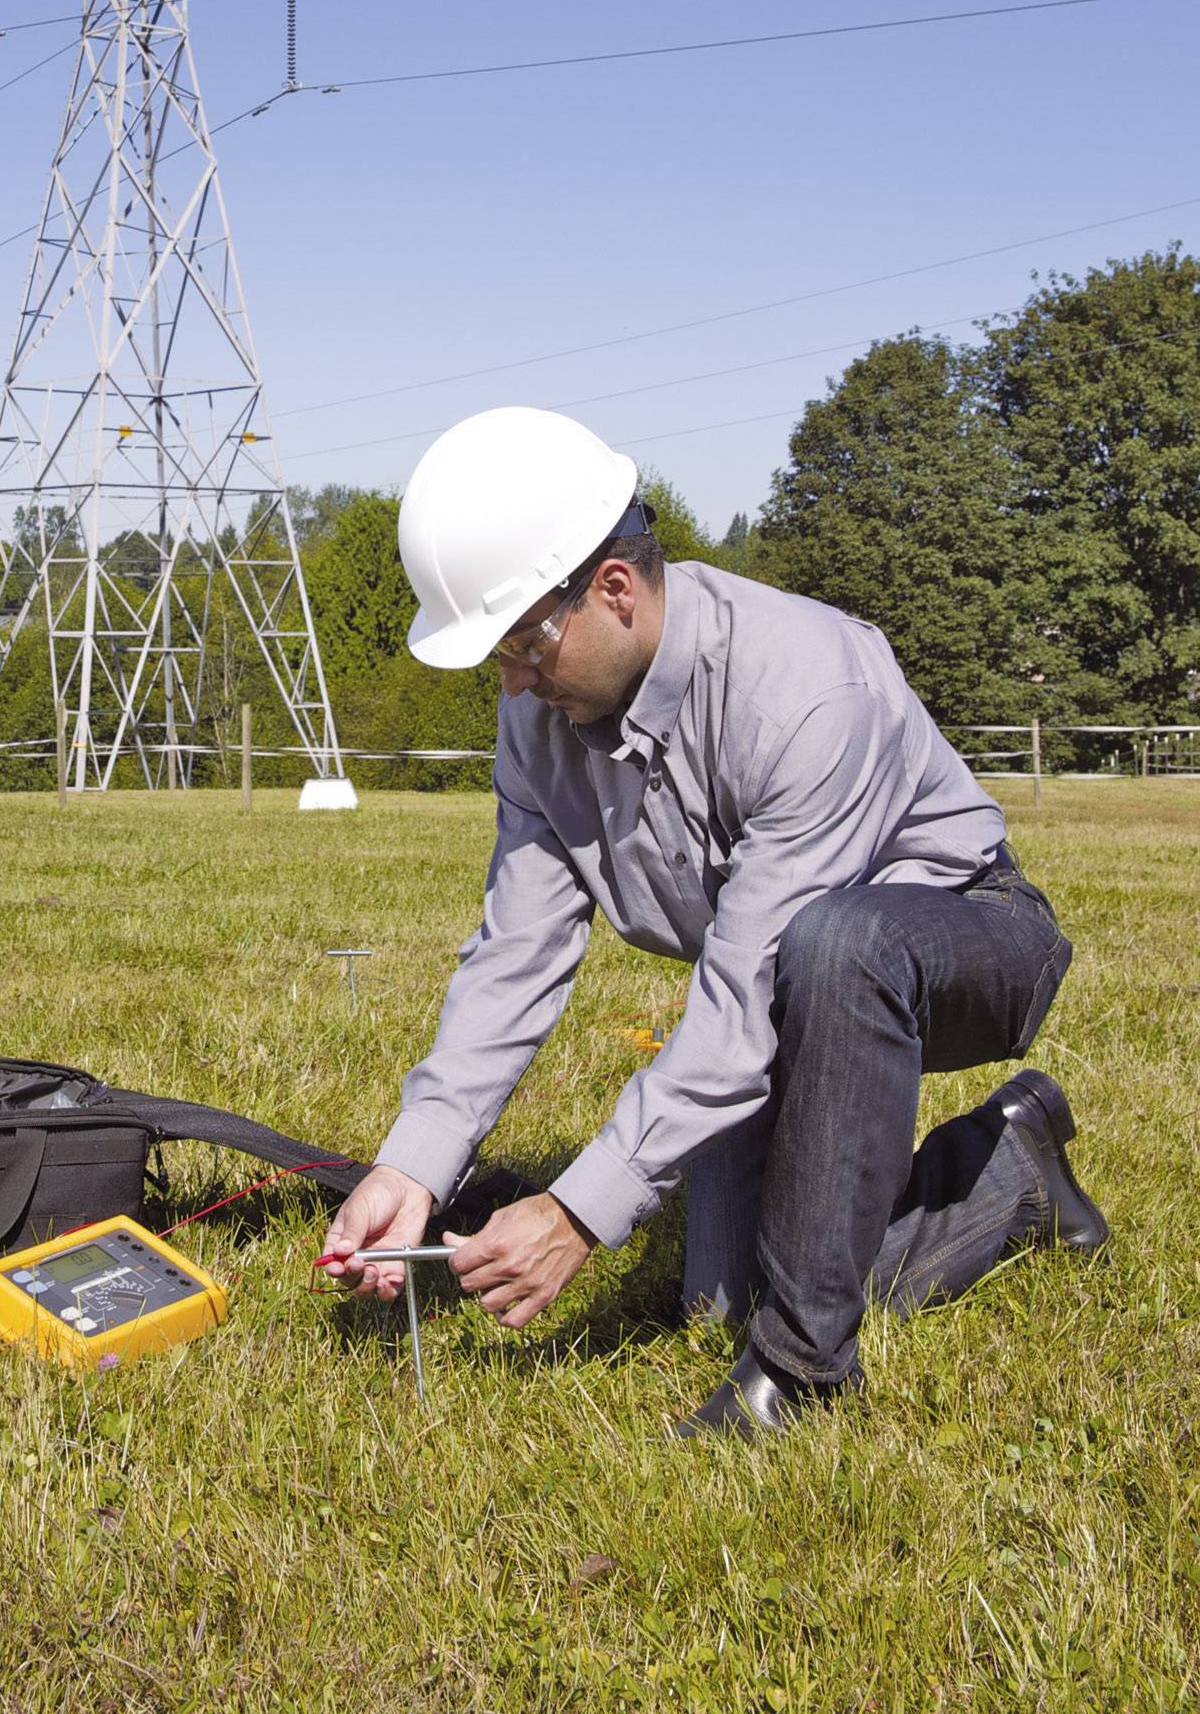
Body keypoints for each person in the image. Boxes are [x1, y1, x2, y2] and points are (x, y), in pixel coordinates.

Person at [319, 407, 1108, 1437]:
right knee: (717, 1299)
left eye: (520, 641)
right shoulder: (537, 721)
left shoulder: (807, 686)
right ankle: (1010, 1174)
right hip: (788, 986)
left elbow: (747, 990)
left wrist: (574, 1213)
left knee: (839, 948)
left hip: (959, 940)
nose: (509, 681)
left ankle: (802, 1374)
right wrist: (412, 1165)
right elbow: (516, 953)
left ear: (611, 589)